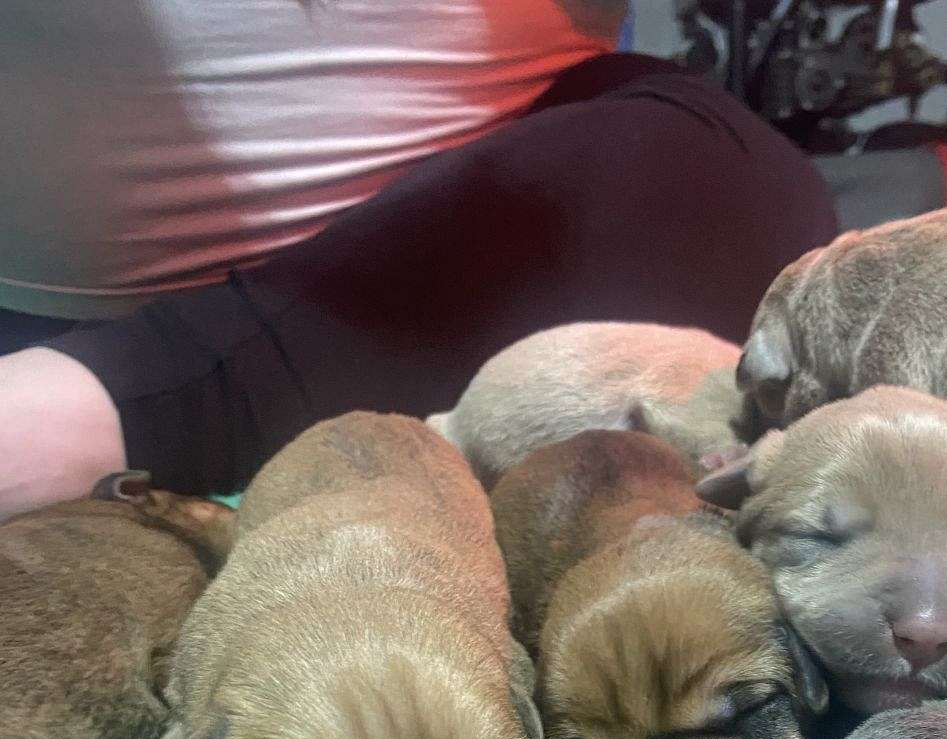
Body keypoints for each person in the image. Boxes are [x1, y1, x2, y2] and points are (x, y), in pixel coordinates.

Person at [0, 1, 837, 515]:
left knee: (719, 171)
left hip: (484, 266)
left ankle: (100, 413)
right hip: (76, 311)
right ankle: (99, 408)